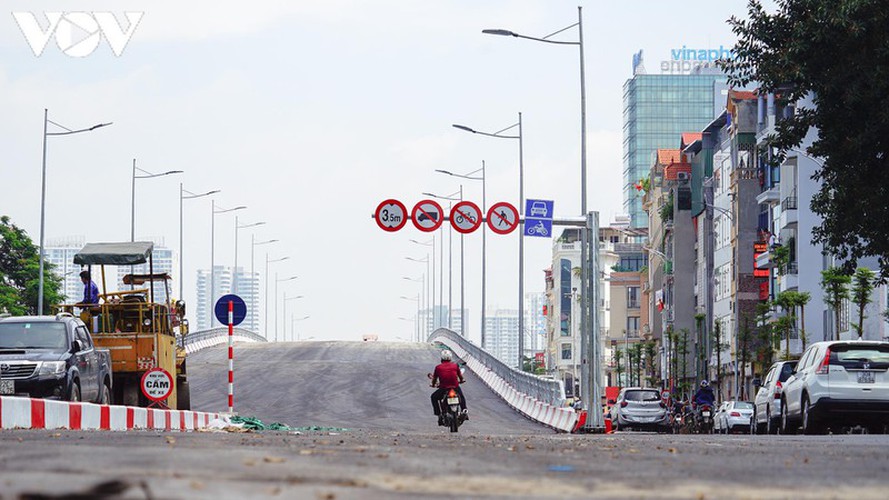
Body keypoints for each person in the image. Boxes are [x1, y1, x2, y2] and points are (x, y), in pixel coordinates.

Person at [430, 349, 467, 425]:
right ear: (450, 358)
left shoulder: (438, 367)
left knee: (433, 397)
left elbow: (434, 378)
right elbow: (460, 377)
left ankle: (439, 414)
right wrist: (462, 380)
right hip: (455, 387)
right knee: (461, 397)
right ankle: (464, 410)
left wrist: (433, 385)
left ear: (441, 358)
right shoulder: (455, 366)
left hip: (443, 388)